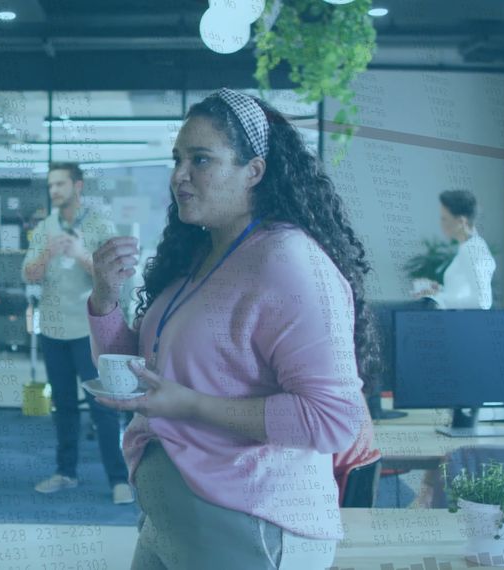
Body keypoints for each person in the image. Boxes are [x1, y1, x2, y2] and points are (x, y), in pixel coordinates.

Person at [88, 88, 377, 569]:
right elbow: (139, 372)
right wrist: (105, 296)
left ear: (254, 171)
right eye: (178, 158)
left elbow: (333, 419)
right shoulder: (200, 253)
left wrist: (191, 405)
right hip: (172, 519)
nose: (180, 175)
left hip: (249, 522)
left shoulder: (289, 262)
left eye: (201, 159)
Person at [22, 163, 132, 504]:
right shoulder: (45, 228)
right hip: (54, 330)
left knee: (103, 406)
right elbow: (29, 274)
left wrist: (80, 254)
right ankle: (65, 472)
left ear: (78, 186)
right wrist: (47, 253)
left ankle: (119, 479)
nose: (54, 190)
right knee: (64, 405)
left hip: (89, 331)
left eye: (60, 184)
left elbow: (116, 276)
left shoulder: (99, 225)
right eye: (51, 184)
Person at [415, 189, 496, 310]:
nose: (440, 223)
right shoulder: (469, 247)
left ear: (461, 221)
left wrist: (439, 300)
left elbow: (482, 301)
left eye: (444, 219)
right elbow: (463, 292)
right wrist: (439, 292)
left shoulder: (472, 249)